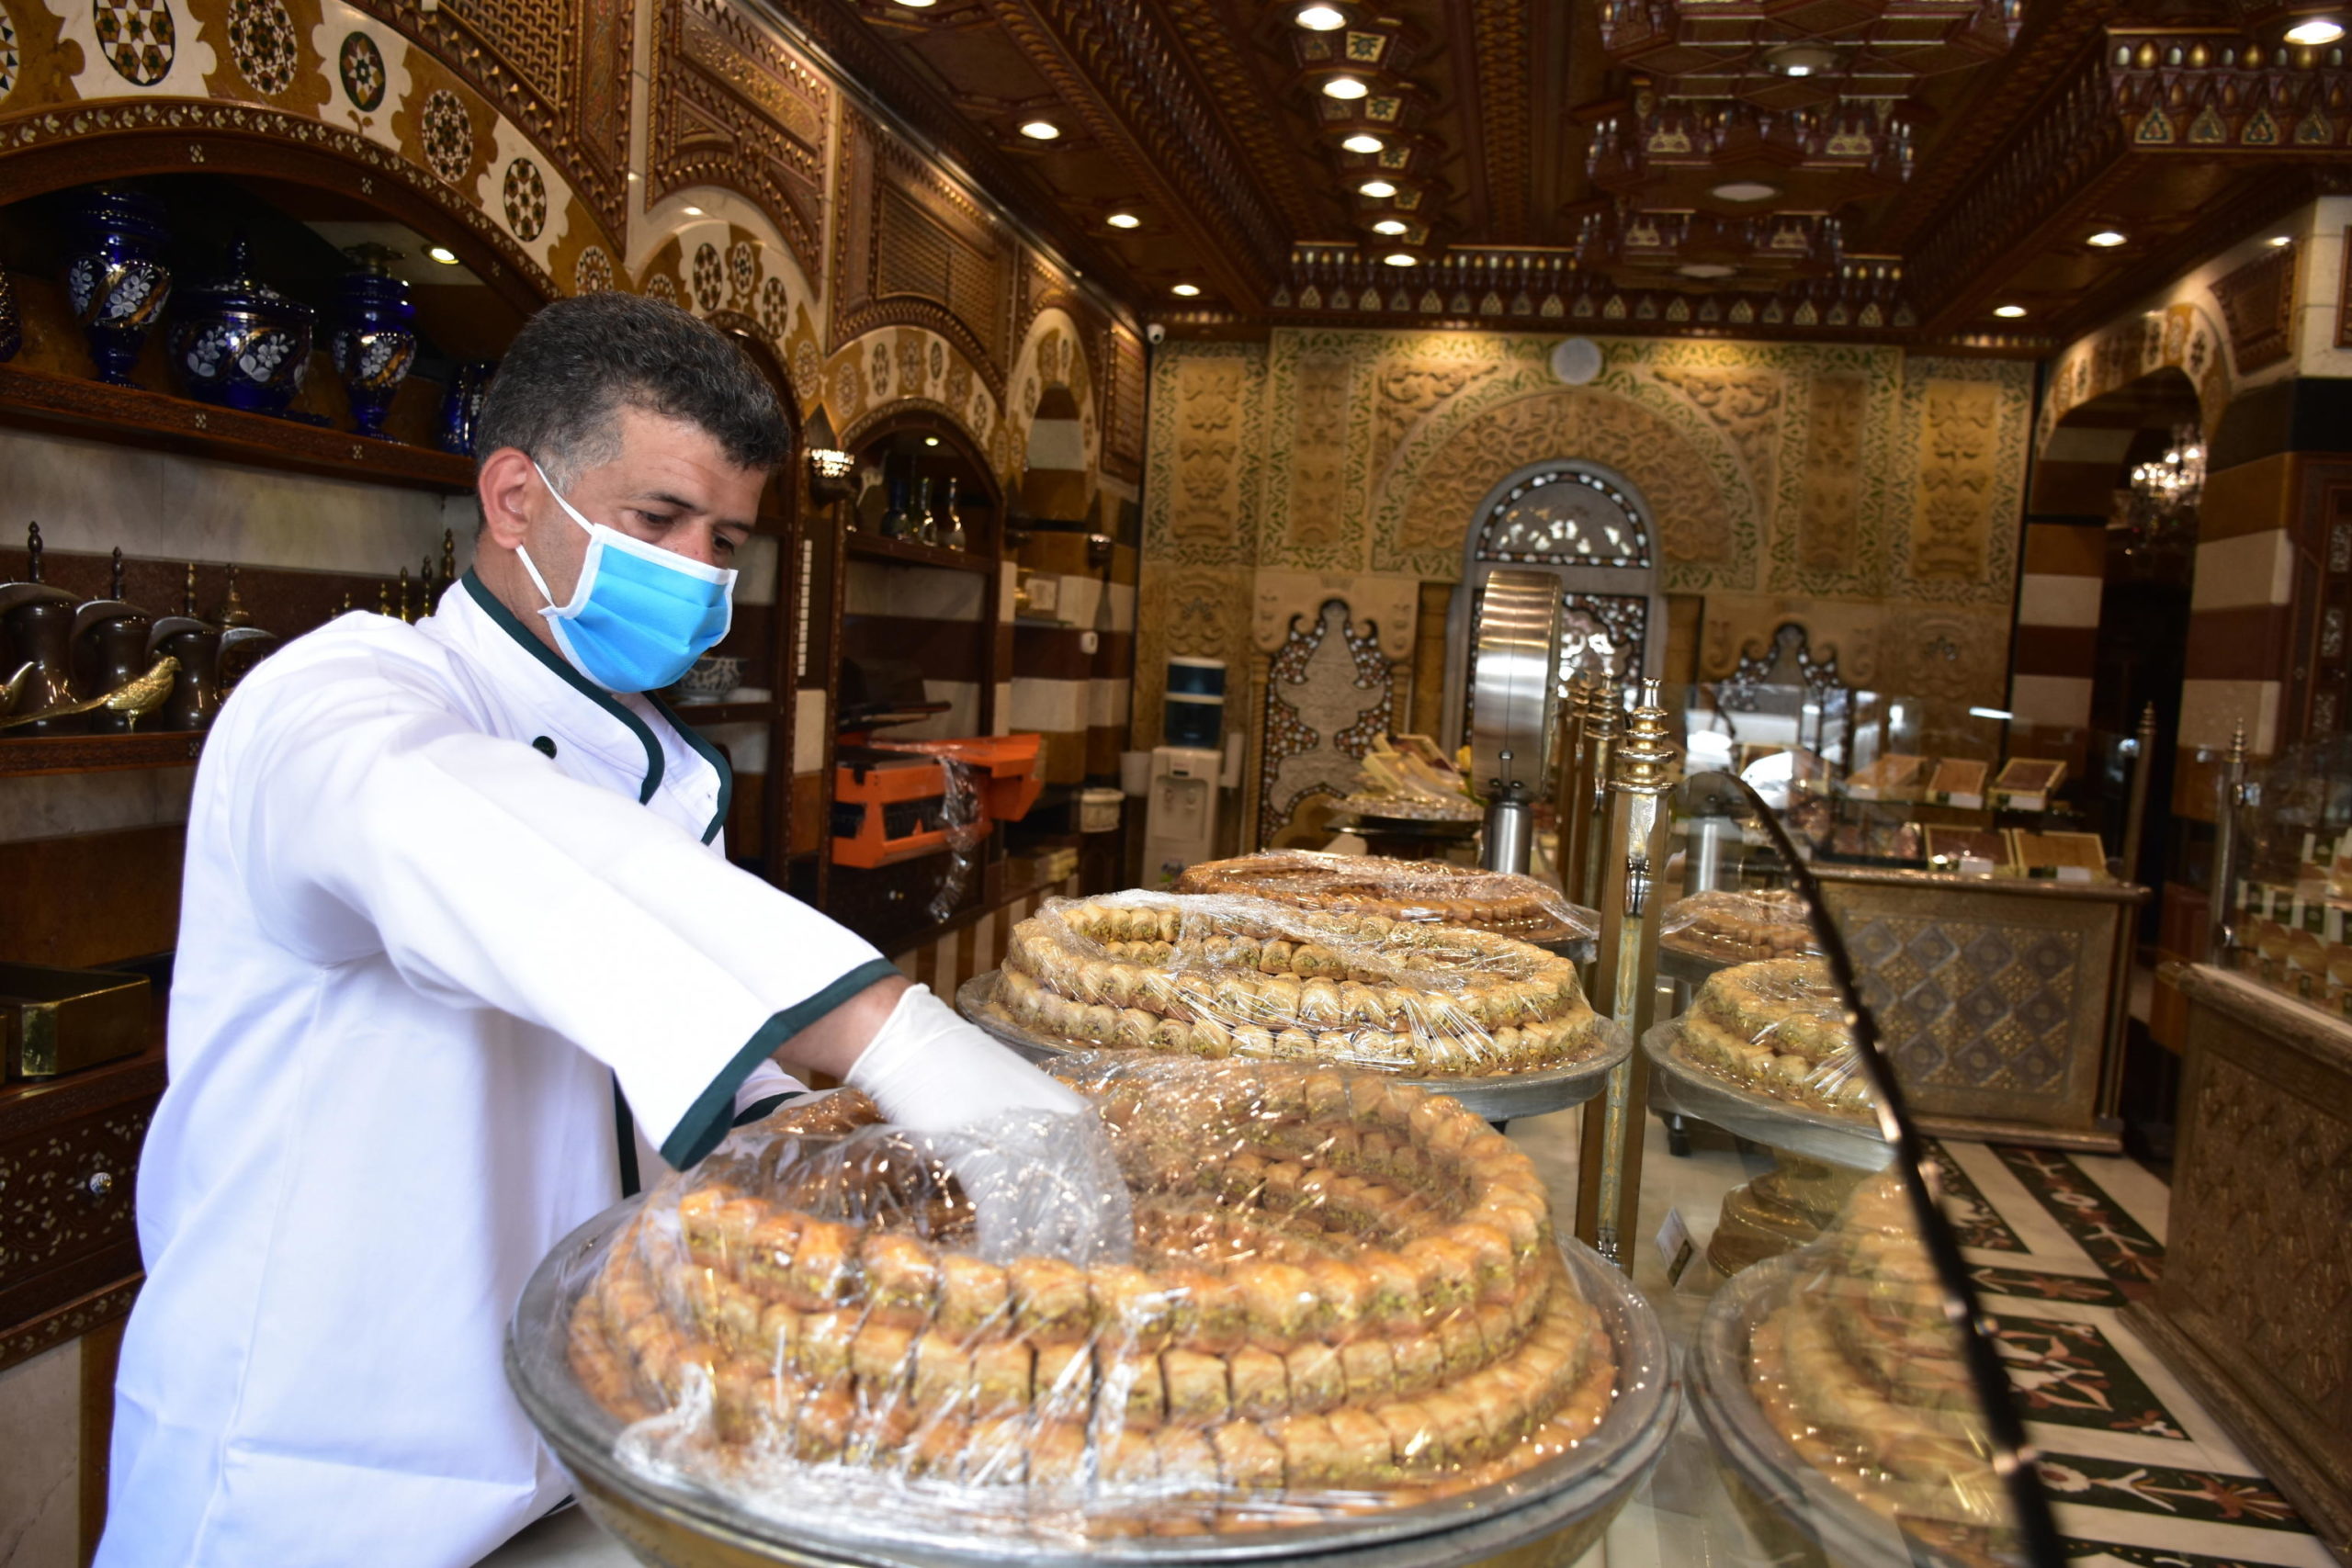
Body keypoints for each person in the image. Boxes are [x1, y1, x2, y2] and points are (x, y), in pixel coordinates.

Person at [95, 294, 1100, 1568]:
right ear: (514, 499)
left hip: (567, 1464)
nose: (698, 570)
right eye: (658, 520)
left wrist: (895, 1194)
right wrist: (889, 1032)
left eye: (726, 538)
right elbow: (464, 829)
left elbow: (666, 1092)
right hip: (311, 1483)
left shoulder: (663, 777)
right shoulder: (342, 699)